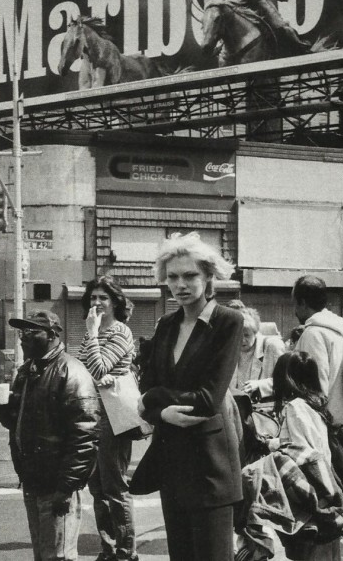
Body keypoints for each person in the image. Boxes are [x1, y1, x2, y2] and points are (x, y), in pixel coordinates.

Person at [131, 232, 244, 561]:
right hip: (171, 463)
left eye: (190, 275)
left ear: (209, 276)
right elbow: (144, 389)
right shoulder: (166, 324)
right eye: (172, 277)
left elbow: (208, 400)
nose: (180, 284)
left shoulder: (227, 321)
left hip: (211, 468)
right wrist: (162, 412)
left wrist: (156, 398)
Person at [0, 310, 98, 561]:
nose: (22, 338)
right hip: (33, 480)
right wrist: (0, 407)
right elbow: (17, 424)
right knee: (43, 554)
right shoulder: (28, 371)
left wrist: (66, 487)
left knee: (59, 556)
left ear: (51, 335)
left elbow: (86, 434)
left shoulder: (71, 371)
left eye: (30, 331)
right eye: (21, 332)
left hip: (57, 484)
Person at [78, 276, 138, 561]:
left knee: (115, 487)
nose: (97, 303)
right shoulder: (93, 331)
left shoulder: (120, 331)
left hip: (113, 416)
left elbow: (98, 369)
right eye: (93, 298)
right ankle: (108, 548)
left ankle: (127, 551)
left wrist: (91, 334)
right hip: (91, 415)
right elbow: (86, 375)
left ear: (115, 301)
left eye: (103, 298)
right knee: (96, 487)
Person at [270, 351, 342, 560]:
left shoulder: (295, 408)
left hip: (310, 496)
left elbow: (302, 452)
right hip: (326, 489)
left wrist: (272, 445)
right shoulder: (314, 404)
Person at [293, 276, 343, 428]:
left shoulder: (314, 334)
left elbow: (316, 387)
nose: (294, 311)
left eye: (294, 304)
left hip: (326, 426)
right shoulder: (341, 328)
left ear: (302, 302)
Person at [230, 306, 284, 399]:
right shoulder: (230, 349)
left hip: (265, 407)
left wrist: (260, 385)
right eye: (238, 335)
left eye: (246, 335)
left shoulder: (272, 346)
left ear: (255, 332)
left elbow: (286, 381)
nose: (242, 340)